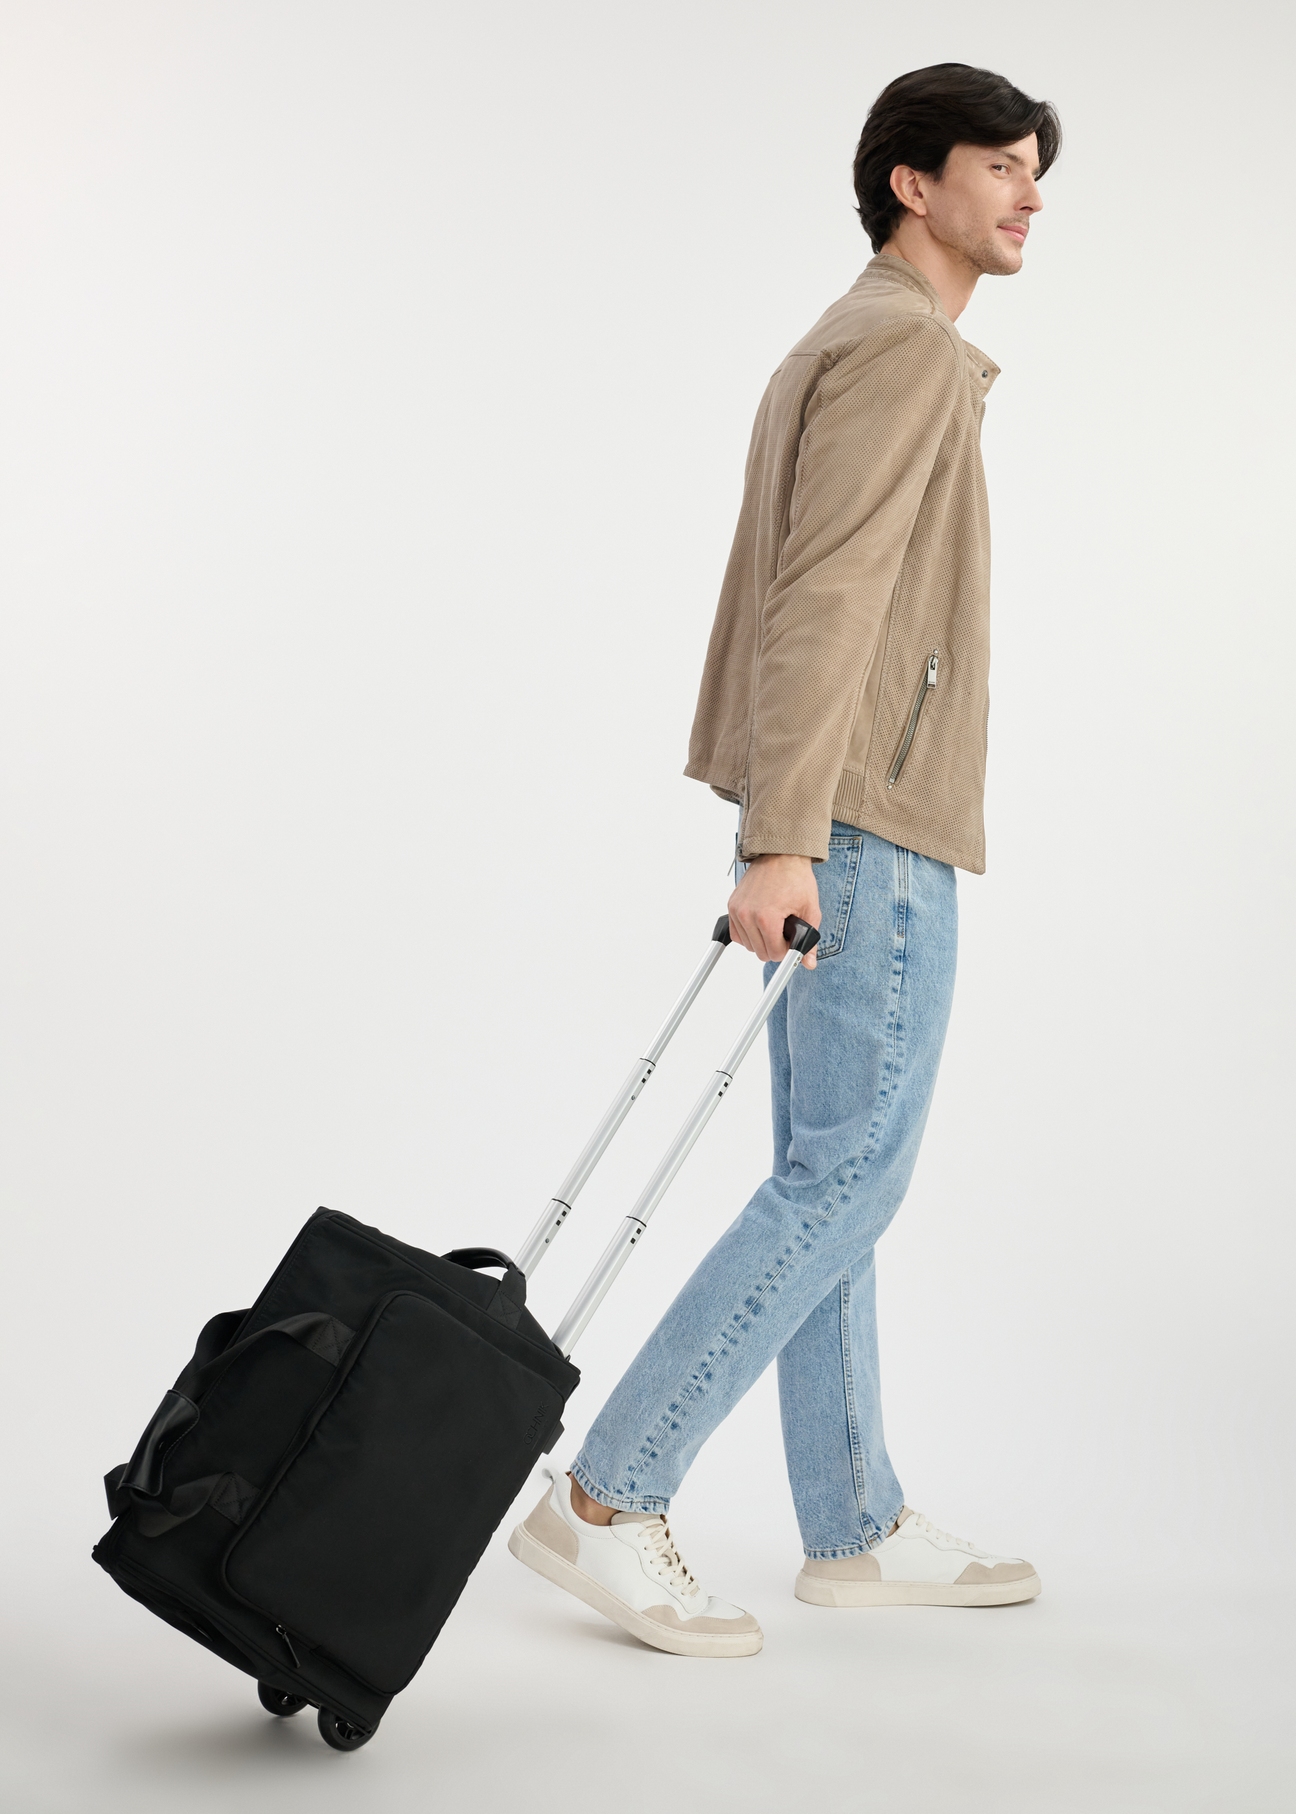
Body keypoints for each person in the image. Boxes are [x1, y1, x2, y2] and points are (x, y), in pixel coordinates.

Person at [510, 63, 1062, 1656]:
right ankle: (610, 1492)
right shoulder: (900, 349)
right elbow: (823, 592)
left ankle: (854, 1514)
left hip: (842, 805)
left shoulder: (858, 335)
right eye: (998, 164)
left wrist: (783, 818)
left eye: (1037, 169)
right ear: (911, 181)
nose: (1028, 194)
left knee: (832, 1168)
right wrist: (785, 837)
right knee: (851, 1170)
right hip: (865, 817)